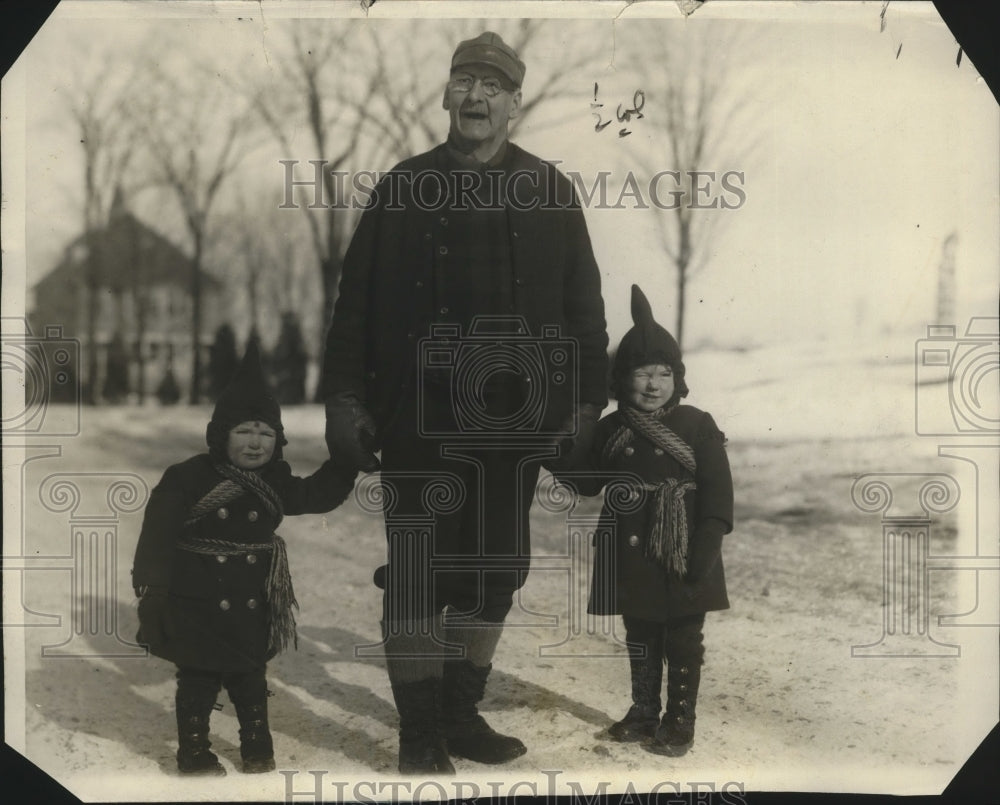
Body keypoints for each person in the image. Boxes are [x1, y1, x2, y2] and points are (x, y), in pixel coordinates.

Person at [323, 31, 609, 774]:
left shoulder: (549, 189)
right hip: (416, 413)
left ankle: (458, 713)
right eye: (463, 83)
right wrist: (346, 397)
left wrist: (584, 407)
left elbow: (585, 312)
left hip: (515, 419)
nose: (475, 97)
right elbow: (353, 305)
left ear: (515, 102)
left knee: (496, 570)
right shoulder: (403, 186)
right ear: (446, 95)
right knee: (418, 570)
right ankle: (418, 731)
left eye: (492, 86)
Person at [132, 342, 357, 776]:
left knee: (250, 675)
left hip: (253, 598)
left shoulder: (275, 479)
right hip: (195, 597)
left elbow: (314, 495)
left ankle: (257, 747)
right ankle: (193, 753)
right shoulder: (187, 477)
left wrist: (346, 462)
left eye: (266, 433)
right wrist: (153, 592)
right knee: (197, 678)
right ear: (220, 435)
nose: (256, 443)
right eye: (244, 431)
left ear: (278, 440)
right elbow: (156, 538)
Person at [567, 285, 733, 757]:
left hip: (684, 544)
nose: (653, 383)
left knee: (683, 636)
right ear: (621, 380)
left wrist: (710, 540)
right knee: (639, 632)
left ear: (677, 378)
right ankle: (643, 712)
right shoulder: (610, 429)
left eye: (664, 373)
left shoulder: (697, 423)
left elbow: (720, 491)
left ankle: (680, 721)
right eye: (642, 373)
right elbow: (585, 482)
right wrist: (555, 449)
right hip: (628, 546)